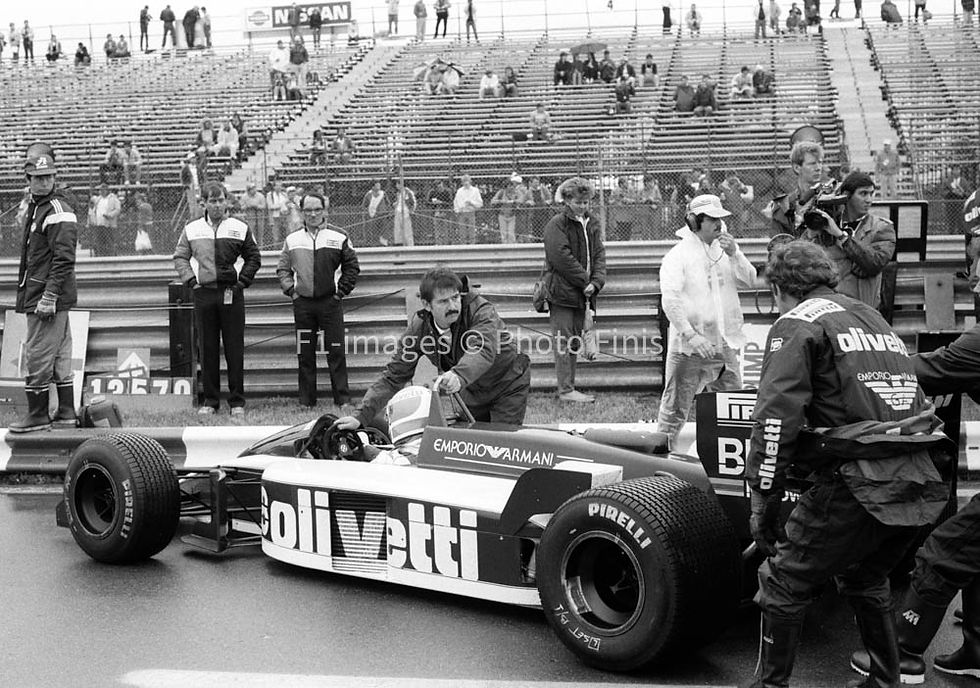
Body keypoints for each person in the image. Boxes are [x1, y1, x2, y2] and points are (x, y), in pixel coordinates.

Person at [743, 240, 949, 688]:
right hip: (919, 474)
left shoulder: (796, 322)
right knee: (865, 575)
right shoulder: (871, 316)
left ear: (779, 288)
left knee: (781, 581)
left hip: (859, 480)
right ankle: (885, 682)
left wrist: (762, 496)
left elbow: (775, 419)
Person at [333, 266, 531, 432]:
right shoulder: (419, 329)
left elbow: (482, 348)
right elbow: (394, 376)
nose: (453, 306)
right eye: (443, 301)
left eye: (455, 297)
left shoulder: (480, 310)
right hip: (471, 389)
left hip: (507, 382)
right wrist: (361, 417)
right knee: (468, 443)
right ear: (426, 305)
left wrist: (459, 375)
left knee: (502, 443)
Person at [655, 194, 756, 444]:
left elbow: (751, 279)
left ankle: (735, 455)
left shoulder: (726, 251)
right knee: (675, 409)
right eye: (712, 219)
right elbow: (670, 299)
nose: (718, 224)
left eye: (720, 218)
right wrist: (691, 335)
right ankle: (659, 456)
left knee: (734, 404)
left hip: (722, 342)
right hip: (689, 347)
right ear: (694, 222)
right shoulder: (678, 256)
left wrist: (735, 254)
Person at [174, 182, 261, 416]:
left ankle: (237, 402)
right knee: (207, 348)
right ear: (203, 203)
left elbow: (254, 257)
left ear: (227, 201)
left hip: (232, 294)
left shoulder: (240, 227)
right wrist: (191, 281)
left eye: (221, 200)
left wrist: (241, 282)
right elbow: (180, 257)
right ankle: (211, 402)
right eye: (212, 201)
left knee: (235, 348)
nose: (217, 205)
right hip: (204, 295)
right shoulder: (192, 228)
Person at [10, 144, 79, 433]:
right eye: (39, 178)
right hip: (45, 293)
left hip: (46, 296)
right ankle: (66, 412)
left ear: (55, 177)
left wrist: (49, 296)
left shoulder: (57, 210)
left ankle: (38, 414)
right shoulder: (40, 207)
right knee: (60, 353)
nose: (44, 182)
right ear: (28, 180)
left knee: (37, 352)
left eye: (49, 176)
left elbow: (64, 259)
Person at [277, 192, 358, 409]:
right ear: (301, 212)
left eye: (317, 209)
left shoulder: (339, 236)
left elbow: (352, 268)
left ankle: (343, 399)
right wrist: (292, 292)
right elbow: (283, 269)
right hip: (303, 304)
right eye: (308, 210)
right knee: (305, 353)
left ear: (325, 210)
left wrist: (340, 293)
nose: (313, 214)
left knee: (336, 351)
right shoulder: (292, 239)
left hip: (330, 303)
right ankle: (306, 401)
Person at [542, 177, 606, 403]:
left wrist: (596, 283)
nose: (582, 206)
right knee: (564, 340)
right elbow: (560, 257)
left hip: (583, 293)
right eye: (578, 202)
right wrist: (585, 281)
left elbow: (599, 255)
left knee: (574, 340)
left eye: (586, 202)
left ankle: (569, 387)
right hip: (562, 293)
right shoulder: (557, 224)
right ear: (567, 200)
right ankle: (566, 389)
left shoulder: (593, 223)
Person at [798, 171, 895, 309]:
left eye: (871, 193)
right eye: (863, 194)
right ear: (846, 196)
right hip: (828, 309)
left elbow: (874, 263)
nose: (869, 200)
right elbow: (801, 263)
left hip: (863, 310)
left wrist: (840, 236)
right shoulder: (825, 225)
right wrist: (811, 233)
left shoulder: (881, 228)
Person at [769, 140, 825, 236]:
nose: (818, 168)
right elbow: (778, 241)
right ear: (797, 168)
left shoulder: (829, 200)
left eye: (820, 162)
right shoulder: (784, 205)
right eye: (812, 163)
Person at [88, 183, 121, 256]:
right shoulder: (98, 199)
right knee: (99, 242)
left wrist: (110, 215)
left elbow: (118, 209)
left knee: (110, 242)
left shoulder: (113, 198)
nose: (102, 191)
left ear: (107, 190)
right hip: (99, 224)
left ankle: (111, 256)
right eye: (101, 190)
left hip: (109, 224)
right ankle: (100, 256)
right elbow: (94, 209)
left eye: (103, 190)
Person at [453, 175, 483, 244]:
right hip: (462, 212)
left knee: (472, 231)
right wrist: (457, 210)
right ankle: (463, 246)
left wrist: (471, 203)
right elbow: (455, 202)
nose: (466, 183)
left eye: (467, 181)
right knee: (462, 231)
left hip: (471, 212)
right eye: (464, 181)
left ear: (470, 181)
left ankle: (472, 245)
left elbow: (480, 203)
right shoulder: (459, 191)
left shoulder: (475, 190)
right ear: (462, 182)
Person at [392, 180, 417, 246]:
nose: (396, 186)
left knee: (407, 231)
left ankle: (410, 246)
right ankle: (400, 245)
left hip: (406, 213)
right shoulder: (398, 193)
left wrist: (411, 210)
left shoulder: (408, 192)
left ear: (400, 184)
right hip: (398, 212)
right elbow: (399, 202)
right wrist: (395, 204)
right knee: (398, 230)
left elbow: (413, 202)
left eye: (397, 184)